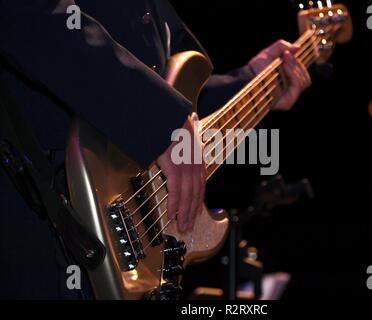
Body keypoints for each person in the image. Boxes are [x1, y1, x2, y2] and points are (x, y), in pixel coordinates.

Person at [0, 0, 311, 299]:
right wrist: (161, 121)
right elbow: (29, 14)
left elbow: (180, 106)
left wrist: (252, 80)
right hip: (41, 225)